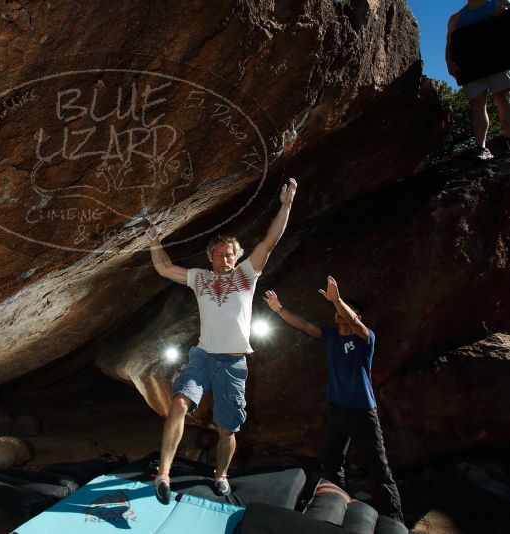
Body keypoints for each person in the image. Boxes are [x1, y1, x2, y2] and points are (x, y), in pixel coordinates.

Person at [145, 178, 297, 504]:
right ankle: (164, 474)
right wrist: (154, 240)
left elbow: (269, 243)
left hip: (233, 362)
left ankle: (221, 474)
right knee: (178, 403)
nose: (224, 260)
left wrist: (285, 205)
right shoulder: (199, 278)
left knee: (227, 431)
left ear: (236, 256)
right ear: (210, 257)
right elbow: (165, 268)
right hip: (202, 356)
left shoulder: (246, 275)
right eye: (219, 255)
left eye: (229, 255)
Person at [263, 277, 404, 523]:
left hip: (363, 413)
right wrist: (279, 310)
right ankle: (335, 511)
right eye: (337, 311)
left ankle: (395, 520)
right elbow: (305, 325)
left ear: (356, 316)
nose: (340, 314)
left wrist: (337, 300)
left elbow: (352, 320)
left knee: (379, 470)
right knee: (331, 462)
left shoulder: (365, 339)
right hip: (339, 412)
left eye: (348, 312)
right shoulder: (330, 337)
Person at [446, 0, 510, 160]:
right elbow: (450, 43)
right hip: (470, 68)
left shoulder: (499, 3)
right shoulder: (456, 18)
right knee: (477, 104)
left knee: (502, 97)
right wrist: (449, 63)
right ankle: (481, 148)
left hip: (498, 61)